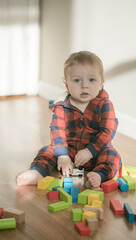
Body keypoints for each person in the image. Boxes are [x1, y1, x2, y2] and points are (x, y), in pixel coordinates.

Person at [16, 51, 121, 188]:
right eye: (77, 80)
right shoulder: (61, 105)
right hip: (69, 152)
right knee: (46, 151)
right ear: (66, 85)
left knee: (112, 155)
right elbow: (57, 132)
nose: (85, 85)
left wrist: (89, 152)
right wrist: (63, 156)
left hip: (96, 151)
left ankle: (99, 175)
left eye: (91, 80)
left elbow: (107, 132)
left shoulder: (105, 105)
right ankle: (37, 172)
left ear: (101, 83)